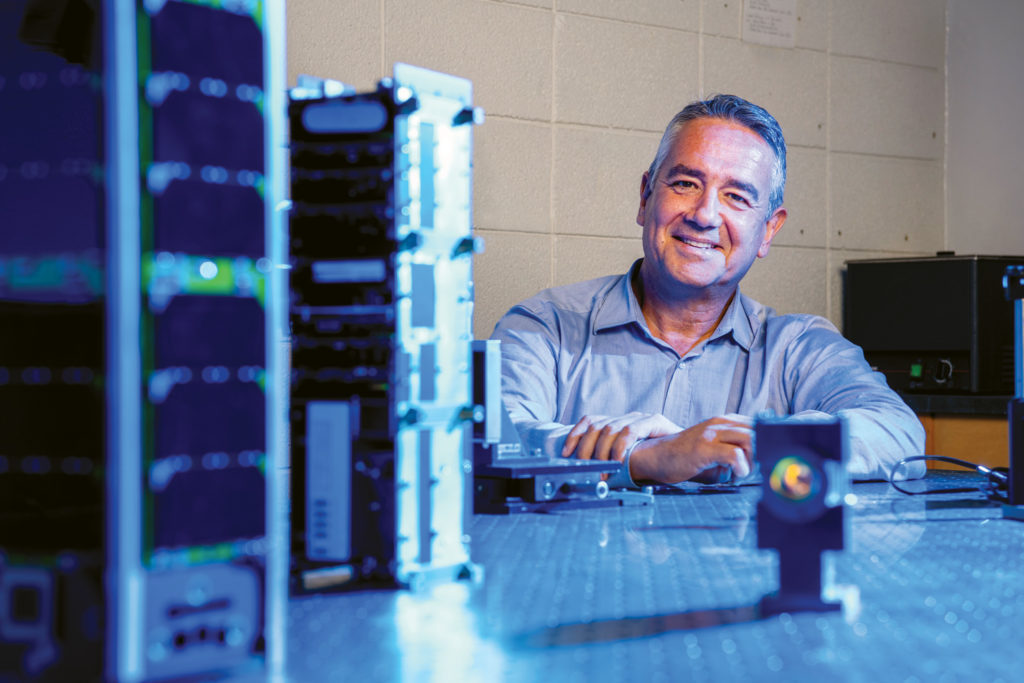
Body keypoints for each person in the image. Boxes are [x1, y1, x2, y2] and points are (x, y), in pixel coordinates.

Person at [490, 94, 925, 487]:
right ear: (645, 198)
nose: (704, 215)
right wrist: (647, 458)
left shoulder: (800, 347)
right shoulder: (544, 326)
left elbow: (897, 431)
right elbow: (492, 441)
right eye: (685, 184)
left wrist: (745, 446)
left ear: (769, 230)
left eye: (736, 196)